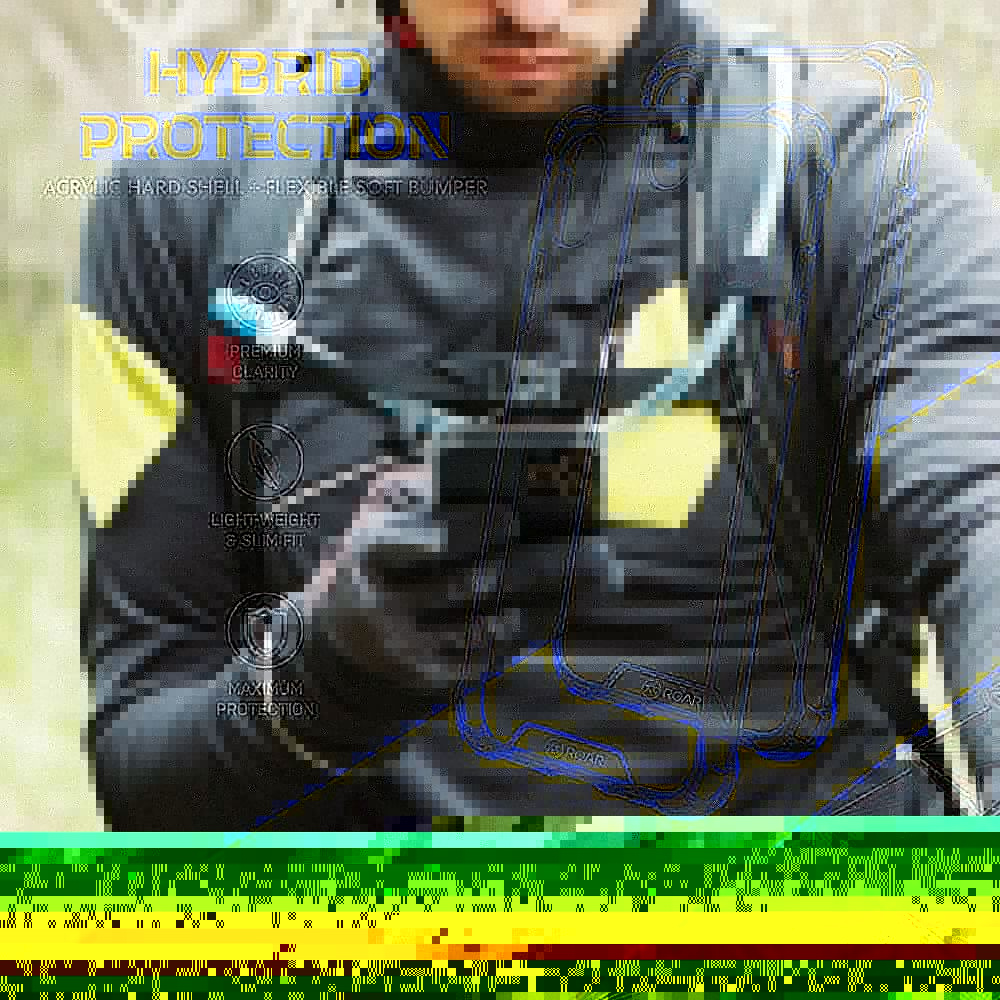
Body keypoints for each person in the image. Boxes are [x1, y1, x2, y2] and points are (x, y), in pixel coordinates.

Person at [75, 0, 1000, 829]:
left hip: (808, 930)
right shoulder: (184, 213)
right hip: (371, 938)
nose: (529, 11)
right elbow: (143, 782)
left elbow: (981, 514)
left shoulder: (865, 188)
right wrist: (320, 681)